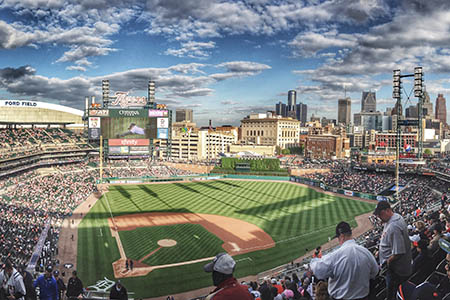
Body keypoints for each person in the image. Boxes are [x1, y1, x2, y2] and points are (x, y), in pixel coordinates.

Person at [310, 221, 379, 300]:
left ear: (342, 236)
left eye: (338, 238)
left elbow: (317, 270)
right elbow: (375, 272)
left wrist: (314, 260)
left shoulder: (336, 255)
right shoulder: (366, 252)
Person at [374, 201, 412, 300]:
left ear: (387, 210)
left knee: (392, 292)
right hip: (398, 267)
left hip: (395, 270)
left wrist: (387, 262)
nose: (378, 217)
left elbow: (399, 252)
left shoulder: (394, 226)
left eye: (380, 214)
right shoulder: (395, 217)